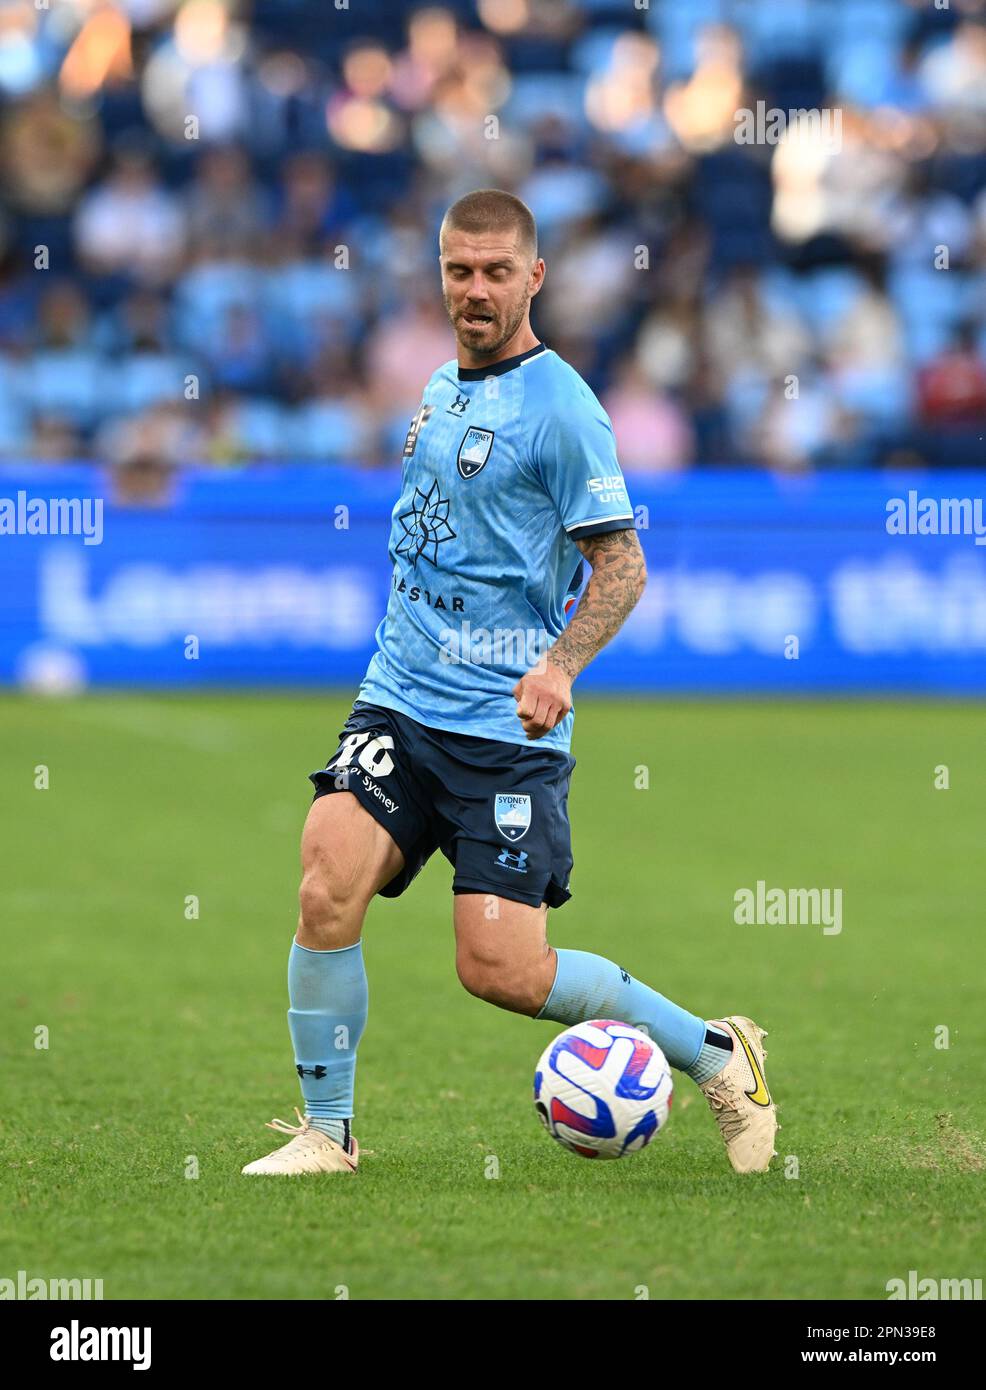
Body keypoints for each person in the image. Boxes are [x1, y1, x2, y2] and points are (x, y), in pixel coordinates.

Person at [242, 189, 776, 1177]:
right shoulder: (439, 384)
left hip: (504, 731)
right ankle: (328, 1132)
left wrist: (558, 663)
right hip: (399, 699)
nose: (475, 290)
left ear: (532, 277)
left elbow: (622, 566)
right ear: (439, 273)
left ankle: (711, 1050)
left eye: (495, 272)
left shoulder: (563, 409)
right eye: (458, 270)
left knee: (500, 970)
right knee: (325, 877)